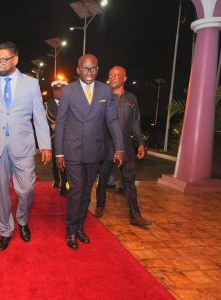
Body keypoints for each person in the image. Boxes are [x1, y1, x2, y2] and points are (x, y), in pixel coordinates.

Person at [0, 42, 51, 251]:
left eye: (4, 59)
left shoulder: (31, 84)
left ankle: (22, 219)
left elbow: (39, 116)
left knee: (27, 188)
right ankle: (5, 230)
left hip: (23, 145)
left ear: (15, 59)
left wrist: (45, 145)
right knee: (1, 191)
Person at [55, 54, 125, 250]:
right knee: (76, 190)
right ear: (78, 70)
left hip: (95, 150)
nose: (89, 72)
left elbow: (112, 121)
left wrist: (119, 147)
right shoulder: (68, 91)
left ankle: (79, 227)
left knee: (86, 192)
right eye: (85, 68)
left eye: (92, 68)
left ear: (97, 69)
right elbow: (61, 122)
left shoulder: (105, 90)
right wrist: (59, 152)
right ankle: (70, 230)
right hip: (73, 149)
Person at [96, 66, 152, 226]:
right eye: (110, 75)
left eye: (116, 75)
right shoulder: (103, 96)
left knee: (129, 181)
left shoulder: (131, 99)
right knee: (103, 179)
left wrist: (140, 143)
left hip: (126, 146)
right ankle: (100, 206)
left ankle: (135, 215)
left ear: (124, 78)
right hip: (106, 146)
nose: (113, 78)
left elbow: (135, 122)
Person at [45, 80, 68, 196]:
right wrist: (54, 126)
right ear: (53, 91)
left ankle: (64, 185)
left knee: (65, 162)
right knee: (55, 162)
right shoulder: (48, 105)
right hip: (54, 137)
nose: (58, 92)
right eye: (56, 90)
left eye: (61, 90)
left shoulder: (69, 103)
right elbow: (48, 120)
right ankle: (57, 180)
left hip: (67, 138)